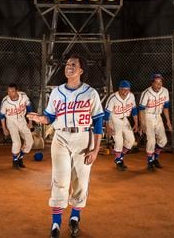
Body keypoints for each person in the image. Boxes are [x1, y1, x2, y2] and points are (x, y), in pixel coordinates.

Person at [27, 54, 104, 238]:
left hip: (83, 139)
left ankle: (75, 218)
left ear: (81, 70)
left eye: (73, 64)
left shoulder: (90, 92)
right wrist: (40, 119)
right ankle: (56, 223)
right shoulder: (57, 92)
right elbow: (50, 117)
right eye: (68, 64)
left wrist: (95, 149)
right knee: (60, 180)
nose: (69, 67)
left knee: (80, 181)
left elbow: (99, 121)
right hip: (60, 137)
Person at [138, 73, 172, 171]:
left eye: (160, 82)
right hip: (148, 116)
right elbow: (141, 109)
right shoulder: (146, 93)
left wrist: (168, 122)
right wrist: (142, 123)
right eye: (156, 82)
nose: (159, 85)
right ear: (152, 83)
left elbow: (165, 108)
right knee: (151, 141)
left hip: (158, 117)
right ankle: (150, 162)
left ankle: (155, 158)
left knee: (163, 140)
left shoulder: (165, 91)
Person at [104, 80, 138, 171]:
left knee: (131, 140)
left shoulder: (131, 96)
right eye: (123, 90)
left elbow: (134, 110)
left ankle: (119, 157)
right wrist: (108, 127)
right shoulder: (113, 98)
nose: (125, 92)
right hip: (114, 118)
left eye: (127, 90)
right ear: (119, 89)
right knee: (119, 142)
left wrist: (136, 123)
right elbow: (106, 114)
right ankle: (119, 162)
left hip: (124, 119)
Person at [0, 83, 34, 169]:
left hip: (22, 120)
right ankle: (15, 161)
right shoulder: (5, 101)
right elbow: (2, 116)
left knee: (30, 142)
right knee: (17, 142)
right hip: (11, 121)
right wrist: (4, 128)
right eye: (9, 91)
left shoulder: (23, 96)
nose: (10, 93)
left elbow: (29, 109)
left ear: (17, 91)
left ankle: (20, 157)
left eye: (12, 91)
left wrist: (30, 122)